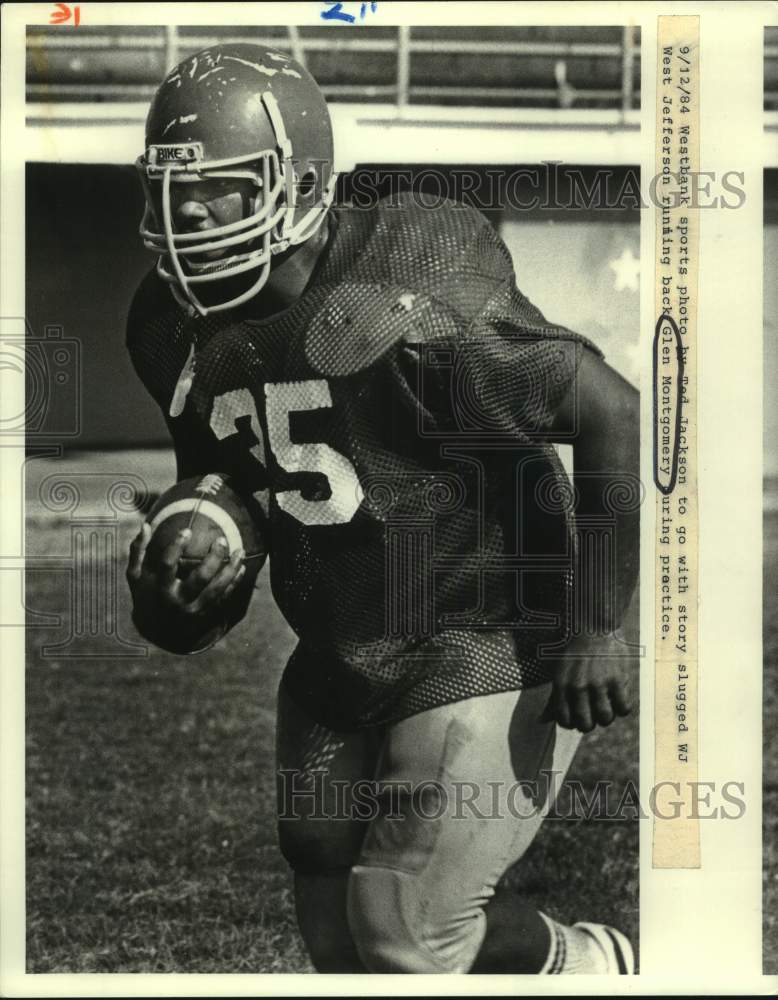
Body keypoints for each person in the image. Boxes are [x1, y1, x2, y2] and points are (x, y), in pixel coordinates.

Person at [126, 43, 639, 975]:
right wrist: (195, 552)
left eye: (227, 188)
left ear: (303, 184)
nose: (189, 212)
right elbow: (236, 481)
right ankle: (581, 960)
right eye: (168, 191)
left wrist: (600, 623)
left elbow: (612, 413)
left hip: (485, 627)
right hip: (342, 642)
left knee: (404, 926)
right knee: (334, 931)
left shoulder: (409, 289)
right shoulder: (170, 327)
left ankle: (593, 966)